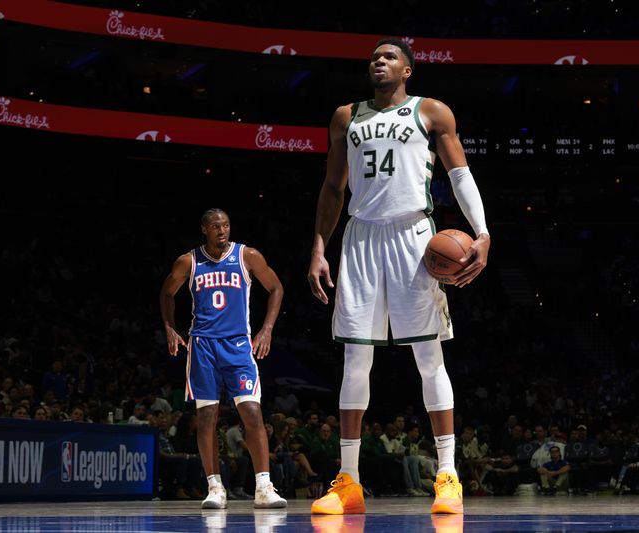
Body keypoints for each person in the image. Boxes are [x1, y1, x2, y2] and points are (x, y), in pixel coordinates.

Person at [307, 37, 490, 515]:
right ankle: (349, 482)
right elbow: (332, 187)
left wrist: (482, 232)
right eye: (374, 58)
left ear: (407, 69)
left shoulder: (430, 112)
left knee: (428, 357)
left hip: (414, 236)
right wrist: (319, 247)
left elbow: (459, 174)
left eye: (389, 57)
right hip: (362, 236)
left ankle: (447, 475)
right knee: (354, 362)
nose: (378, 62)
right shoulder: (346, 116)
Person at [160, 208, 286, 509]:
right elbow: (167, 293)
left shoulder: (247, 255)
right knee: (206, 418)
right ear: (204, 229)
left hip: (239, 345)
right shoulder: (189, 261)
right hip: (202, 346)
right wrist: (169, 328)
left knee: (252, 413)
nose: (222, 230)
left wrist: (266, 329)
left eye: (226, 225)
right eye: (215, 226)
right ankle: (215, 487)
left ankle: (264, 486)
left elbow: (276, 287)